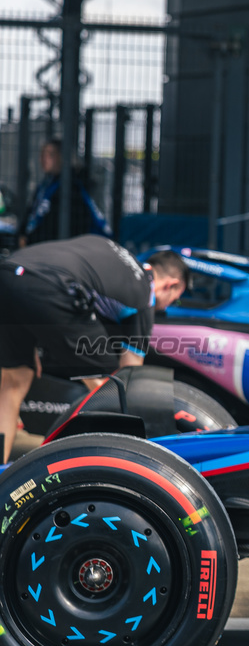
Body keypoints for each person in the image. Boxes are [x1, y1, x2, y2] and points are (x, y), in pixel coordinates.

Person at [0, 235, 187, 462]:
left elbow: (40, 277)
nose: (167, 307)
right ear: (171, 285)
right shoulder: (144, 292)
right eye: (175, 299)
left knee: (12, 382)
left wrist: (32, 334)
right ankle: (121, 464)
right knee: (110, 388)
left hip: (9, 273)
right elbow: (130, 375)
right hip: (51, 284)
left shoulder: (113, 251)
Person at [20, 139, 112, 246]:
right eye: (42, 154)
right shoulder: (46, 185)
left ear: (62, 157)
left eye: (50, 155)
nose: (43, 159)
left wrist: (30, 239)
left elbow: (62, 227)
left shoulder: (72, 187)